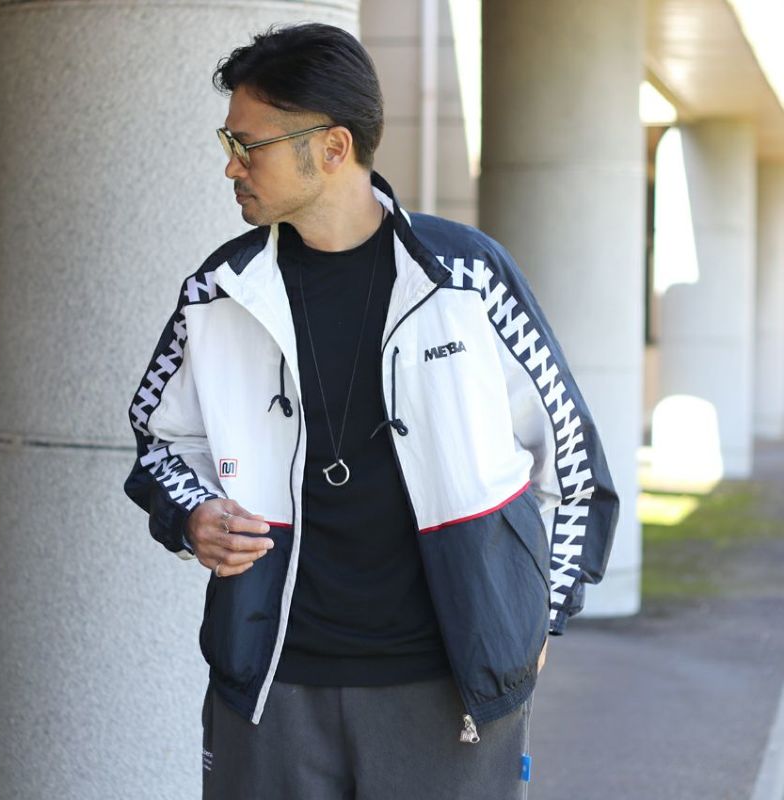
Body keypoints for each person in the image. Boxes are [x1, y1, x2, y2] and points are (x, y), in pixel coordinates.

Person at [124, 22, 619, 800]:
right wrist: (192, 515)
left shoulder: (466, 279)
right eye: (229, 141)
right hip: (271, 684)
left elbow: (572, 457)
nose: (231, 164)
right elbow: (159, 444)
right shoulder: (218, 294)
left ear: (332, 147)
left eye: (247, 144)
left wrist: (539, 614)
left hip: (447, 686)